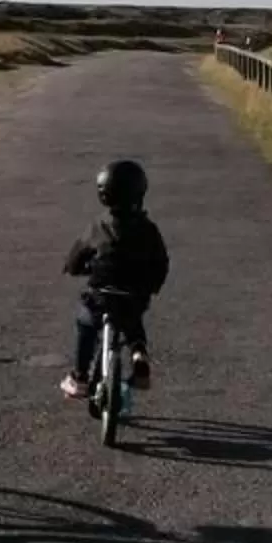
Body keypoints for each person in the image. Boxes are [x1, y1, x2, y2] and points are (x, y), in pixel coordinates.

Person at [60, 157, 170, 400]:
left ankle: (79, 378)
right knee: (132, 319)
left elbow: (76, 257)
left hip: (101, 296)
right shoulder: (148, 229)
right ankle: (138, 352)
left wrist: (73, 267)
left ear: (104, 194)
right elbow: (161, 261)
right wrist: (153, 285)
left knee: (85, 323)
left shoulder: (98, 226)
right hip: (134, 295)